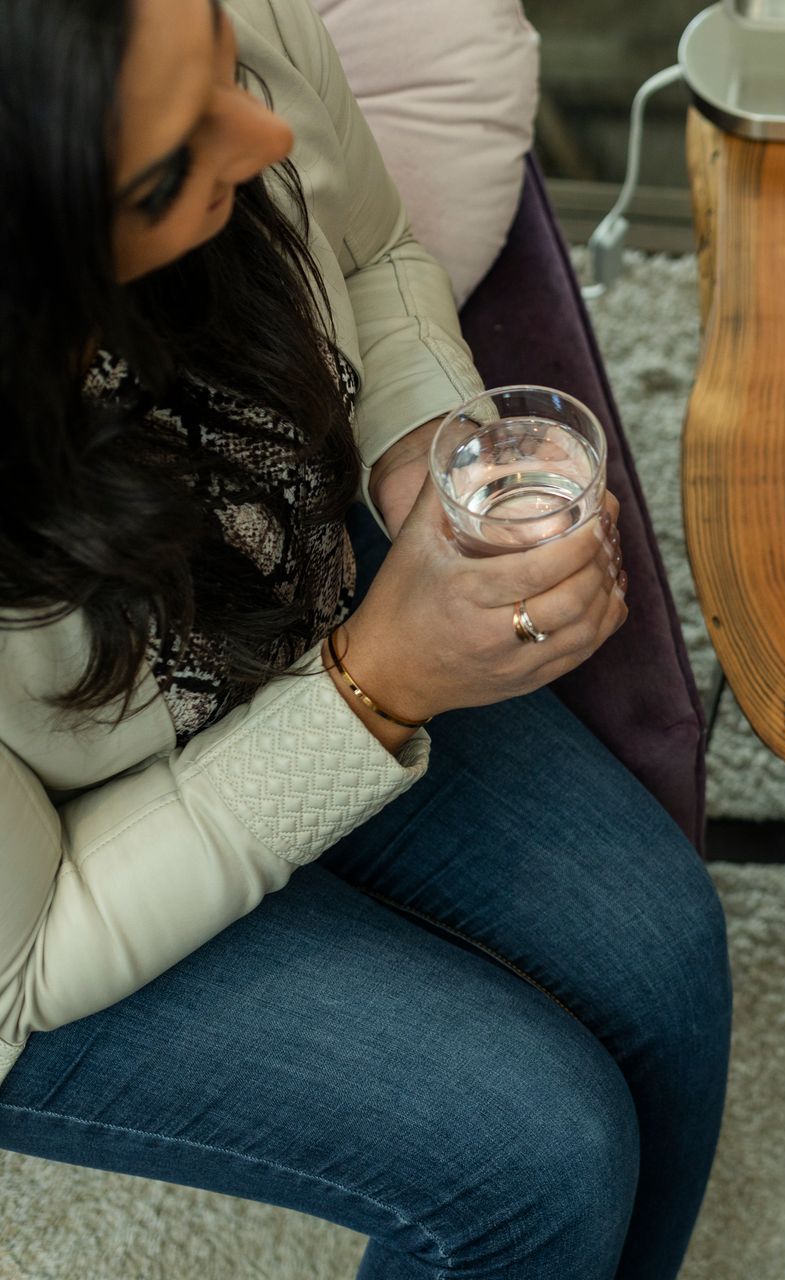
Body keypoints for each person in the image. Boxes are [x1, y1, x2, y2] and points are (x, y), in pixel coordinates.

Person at [0, 0, 730, 1276]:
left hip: (281, 601)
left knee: (663, 950)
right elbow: (33, 953)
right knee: (534, 1145)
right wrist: (373, 686)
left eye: (226, 51)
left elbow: (377, 243)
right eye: (173, 166)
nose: (266, 128)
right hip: (38, 907)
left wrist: (422, 444)